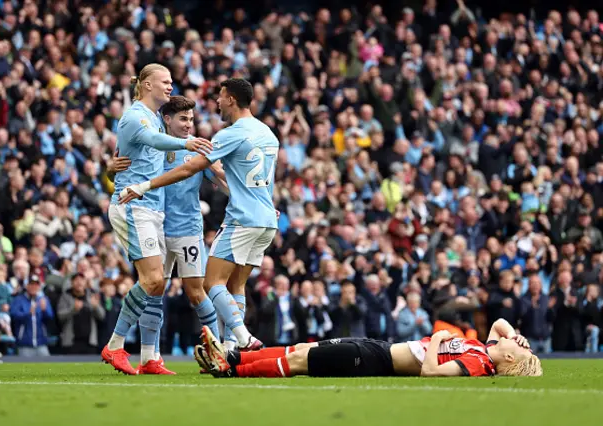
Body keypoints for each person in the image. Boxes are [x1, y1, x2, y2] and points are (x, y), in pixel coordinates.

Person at [119, 78, 279, 351]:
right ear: (166, 120)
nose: (216, 101)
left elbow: (205, 171)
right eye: (183, 119)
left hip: (202, 226)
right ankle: (219, 349)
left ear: (230, 98)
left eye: (220, 96)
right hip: (162, 225)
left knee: (209, 284)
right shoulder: (269, 134)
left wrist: (144, 186)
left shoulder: (215, 139)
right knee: (230, 284)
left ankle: (238, 338)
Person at [101, 63, 213, 375]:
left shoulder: (151, 117)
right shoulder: (137, 115)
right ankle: (114, 345)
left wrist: (109, 169)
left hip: (151, 210)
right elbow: (152, 141)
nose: (170, 85)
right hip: (134, 206)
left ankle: (150, 357)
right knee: (152, 280)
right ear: (147, 84)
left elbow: (132, 157)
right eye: (165, 81)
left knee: (156, 285)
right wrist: (185, 143)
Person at [195, 318, 542, 378]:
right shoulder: (486, 347)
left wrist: (437, 340)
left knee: (302, 359)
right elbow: (499, 323)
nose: (513, 338)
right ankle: (233, 356)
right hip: (380, 347)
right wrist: (515, 335)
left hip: (374, 360)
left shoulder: (479, 364)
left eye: (517, 345)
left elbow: (431, 371)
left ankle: (232, 370)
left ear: (508, 357)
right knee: (301, 347)